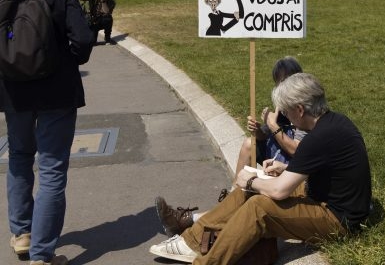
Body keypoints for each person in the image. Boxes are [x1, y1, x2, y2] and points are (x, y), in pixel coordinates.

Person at [149, 73, 372, 264]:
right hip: (326, 198)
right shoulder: (335, 123)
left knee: (259, 205)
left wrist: (248, 179)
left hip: (339, 221)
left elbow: (278, 192)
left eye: (286, 111)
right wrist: (284, 167)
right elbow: (327, 168)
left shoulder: (318, 138)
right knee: (252, 192)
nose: (286, 117)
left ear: (300, 109)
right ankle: (192, 241)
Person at [0, 0, 93, 265]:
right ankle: (42, 253)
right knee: (52, 169)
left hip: (12, 88)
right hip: (56, 89)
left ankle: (22, 233)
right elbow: (82, 43)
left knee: (20, 159)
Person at [154, 57, 307, 237]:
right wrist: (259, 129)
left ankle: (187, 221)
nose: (281, 86)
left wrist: (273, 125)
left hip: (292, 171)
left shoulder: (303, 109)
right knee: (249, 144)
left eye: (286, 80)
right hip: (278, 160)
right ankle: (234, 193)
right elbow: (267, 135)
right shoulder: (282, 105)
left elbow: (297, 151)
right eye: (279, 82)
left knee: (251, 201)